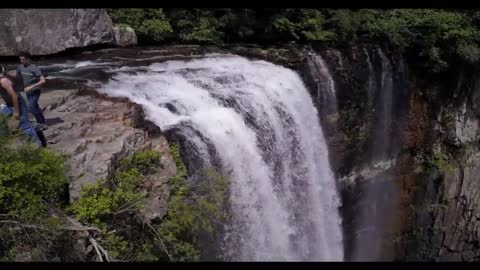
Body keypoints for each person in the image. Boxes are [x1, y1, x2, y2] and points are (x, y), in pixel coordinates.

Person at [0, 65, 42, 146]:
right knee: (1, 118)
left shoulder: (3, 81)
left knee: (25, 124)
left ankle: (37, 144)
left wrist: (16, 112)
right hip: (9, 104)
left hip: (18, 104)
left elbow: (14, 96)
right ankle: (5, 138)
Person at [17, 51, 47, 130]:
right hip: (27, 92)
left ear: (28, 59)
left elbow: (43, 80)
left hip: (35, 91)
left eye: (23, 59)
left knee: (31, 108)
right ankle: (42, 122)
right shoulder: (20, 67)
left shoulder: (34, 68)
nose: (21, 61)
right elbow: (17, 77)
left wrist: (31, 86)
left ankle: (41, 123)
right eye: (20, 59)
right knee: (35, 107)